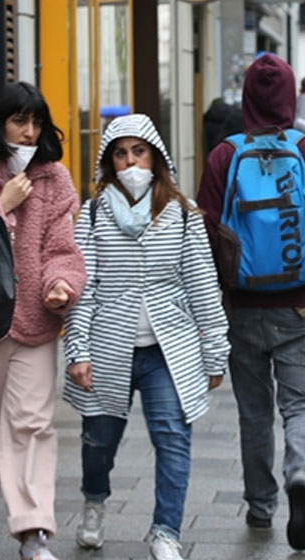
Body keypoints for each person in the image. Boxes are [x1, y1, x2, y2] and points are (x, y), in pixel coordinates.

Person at [196, 53, 305, 551]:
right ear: (290, 97)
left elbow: (207, 227)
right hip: (299, 303)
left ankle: (261, 505)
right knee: (301, 403)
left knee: (254, 411)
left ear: (247, 100)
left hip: (241, 307)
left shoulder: (224, 154)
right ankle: (301, 472)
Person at [65, 114, 229, 560]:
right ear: (109, 161)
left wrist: (215, 352)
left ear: (155, 156)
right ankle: (94, 504)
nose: (130, 161)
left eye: (138, 151)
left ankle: (166, 531)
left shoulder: (182, 213)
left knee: (173, 437)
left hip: (168, 350)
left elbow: (201, 284)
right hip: (107, 347)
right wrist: (77, 349)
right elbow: (84, 285)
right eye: (120, 153)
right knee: (98, 443)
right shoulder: (94, 211)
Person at [0, 82, 86, 560]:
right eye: (19, 122)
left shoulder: (54, 179)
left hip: (35, 321)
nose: (29, 133)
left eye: (36, 123)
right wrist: (1, 205)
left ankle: (34, 531)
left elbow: (62, 249)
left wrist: (61, 285)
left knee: (33, 425)